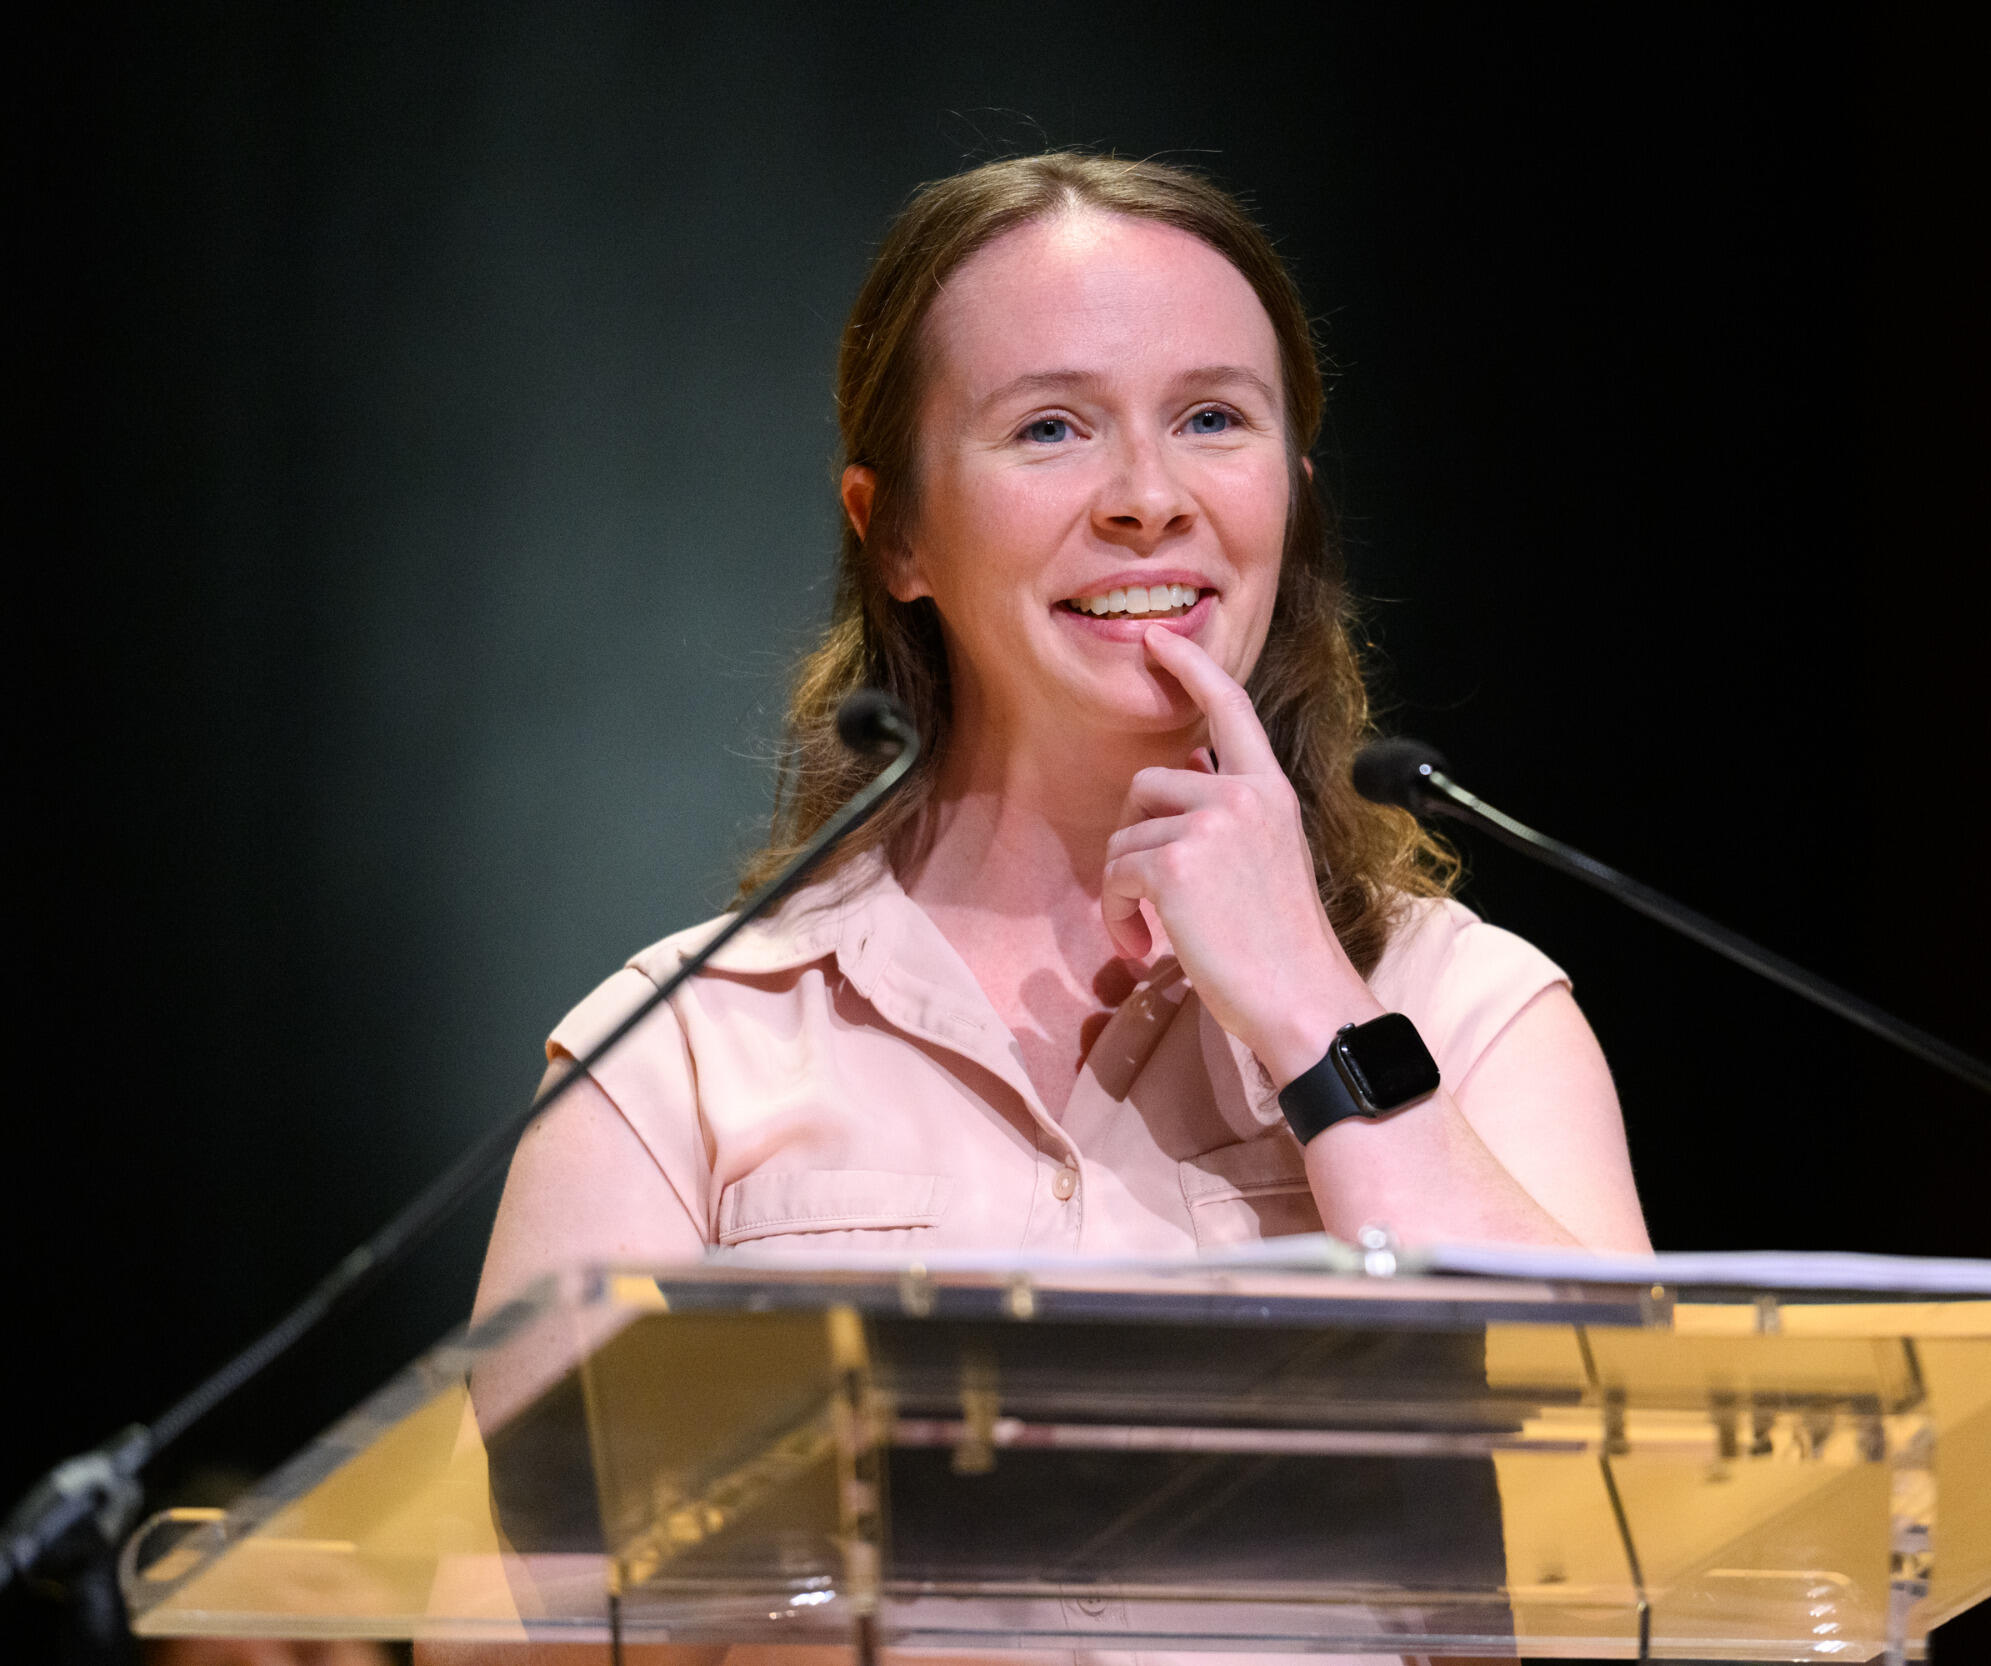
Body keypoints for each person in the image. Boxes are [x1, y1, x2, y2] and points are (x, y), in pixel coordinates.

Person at [472, 151, 1648, 1331]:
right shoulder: (675, 1053)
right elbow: (531, 1515)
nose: (1148, 494)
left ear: (1289, 503)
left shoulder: (1471, 1009)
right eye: (1049, 427)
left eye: (1211, 417)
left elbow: (1625, 1471)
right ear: (894, 537)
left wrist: (1311, 1008)